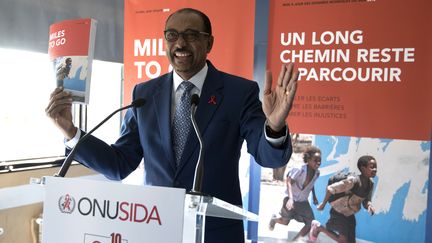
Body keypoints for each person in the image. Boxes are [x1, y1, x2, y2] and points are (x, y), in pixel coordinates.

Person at [45, 8, 298, 243]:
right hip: (157, 229)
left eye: (191, 35)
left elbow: (269, 157)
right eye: (172, 35)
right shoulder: (145, 93)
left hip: (214, 233)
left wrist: (274, 126)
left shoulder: (238, 92)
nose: (180, 44)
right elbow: (119, 164)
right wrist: (71, 131)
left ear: (209, 43)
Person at [309, 155, 378, 243]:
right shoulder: (352, 181)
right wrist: (323, 204)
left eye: (375, 167)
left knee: (351, 241)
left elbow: (366, 200)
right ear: (363, 168)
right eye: (371, 167)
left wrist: (369, 205)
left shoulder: (370, 183)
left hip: (349, 213)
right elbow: (330, 189)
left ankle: (320, 228)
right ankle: (319, 228)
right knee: (343, 241)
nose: (375, 169)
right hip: (339, 211)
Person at [269, 146, 321, 241]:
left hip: (302, 202)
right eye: (315, 160)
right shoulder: (299, 169)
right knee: (285, 222)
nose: (318, 162)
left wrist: (314, 196)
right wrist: (290, 199)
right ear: (308, 160)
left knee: (311, 223)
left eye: (319, 160)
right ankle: (274, 220)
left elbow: (311, 184)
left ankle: (295, 241)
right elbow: (289, 181)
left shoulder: (317, 173)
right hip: (290, 199)